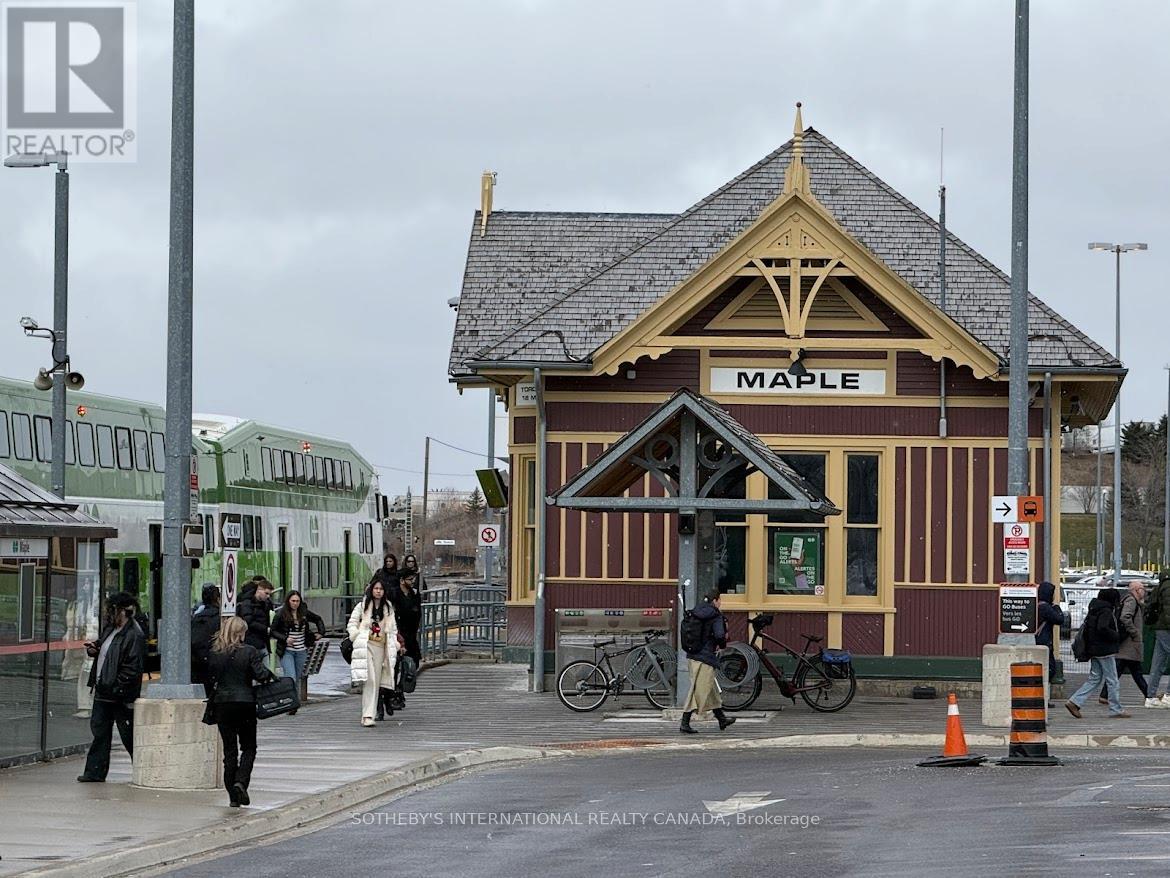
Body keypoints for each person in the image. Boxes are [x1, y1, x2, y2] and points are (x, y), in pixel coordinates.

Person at [77, 592, 146, 783]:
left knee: (128, 735)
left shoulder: (134, 634)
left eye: (113, 610)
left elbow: (132, 668)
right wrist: (94, 649)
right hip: (105, 690)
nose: (109, 614)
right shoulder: (111, 629)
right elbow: (105, 650)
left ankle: (143, 768)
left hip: (119, 694)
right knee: (100, 733)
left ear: (122, 612)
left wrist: (117, 687)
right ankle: (94, 772)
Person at [208, 616, 277, 807]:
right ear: (240, 633)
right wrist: (270, 675)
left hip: (222, 704)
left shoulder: (215, 653)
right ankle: (241, 781)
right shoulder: (249, 651)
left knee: (229, 752)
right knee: (248, 747)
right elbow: (261, 675)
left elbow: (210, 677)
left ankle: (233, 797)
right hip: (245, 703)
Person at [1065, 588, 1130, 719]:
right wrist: (1116, 635)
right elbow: (1103, 628)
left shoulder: (1094, 609)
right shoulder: (1106, 611)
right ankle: (1115, 709)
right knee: (1112, 680)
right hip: (1105, 650)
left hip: (1094, 649)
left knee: (1094, 678)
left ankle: (1075, 701)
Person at [680, 591, 736, 735]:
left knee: (711, 689)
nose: (720, 603)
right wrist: (722, 644)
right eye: (720, 600)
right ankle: (684, 722)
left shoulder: (697, 610)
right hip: (705, 658)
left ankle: (721, 718)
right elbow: (719, 635)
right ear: (715, 600)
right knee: (699, 689)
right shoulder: (715, 615)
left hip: (692, 654)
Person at [348, 581, 403, 726]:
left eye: (381, 589)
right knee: (370, 679)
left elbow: (393, 629)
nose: (378, 591)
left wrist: (395, 644)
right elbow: (352, 623)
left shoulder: (388, 608)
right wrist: (356, 635)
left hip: (381, 647)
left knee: (377, 681)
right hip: (366, 645)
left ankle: (368, 714)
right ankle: (367, 715)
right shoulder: (362, 606)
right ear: (371, 590)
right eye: (376, 588)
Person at [1098, 581, 1150, 706]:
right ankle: (1149, 694)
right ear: (1137, 590)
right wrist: (1134, 632)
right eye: (1143, 589)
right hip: (1129, 643)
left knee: (1124, 669)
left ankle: (1104, 695)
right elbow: (1125, 617)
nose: (1144, 591)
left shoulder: (1132, 601)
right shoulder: (1131, 601)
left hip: (1128, 644)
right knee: (1134, 671)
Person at [270, 590, 316, 700]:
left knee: (297, 677)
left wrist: (320, 633)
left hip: (301, 650)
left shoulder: (303, 613)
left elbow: (317, 619)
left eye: (297, 601)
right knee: (291, 676)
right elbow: (273, 631)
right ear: (288, 601)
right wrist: (285, 639)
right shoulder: (281, 614)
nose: (295, 603)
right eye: (293, 601)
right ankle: (291, 701)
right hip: (287, 650)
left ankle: (293, 701)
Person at [387, 572, 423, 710]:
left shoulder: (414, 594)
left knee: (413, 664)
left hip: (411, 634)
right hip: (398, 633)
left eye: (413, 579)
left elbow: (417, 611)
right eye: (410, 579)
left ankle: (401, 689)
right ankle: (394, 694)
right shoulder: (394, 594)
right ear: (402, 580)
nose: (412, 581)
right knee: (395, 665)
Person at [190, 584, 221, 699]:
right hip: (214, 661)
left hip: (198, 663)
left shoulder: (196, 618)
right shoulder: (220, 618)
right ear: (218, 598)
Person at [1146, 570, 1170, 707]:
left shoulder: (1160, 586)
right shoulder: (1168, 587)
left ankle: (1150, 696)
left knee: (1158, 663)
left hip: (1159, 628)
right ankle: (1168, 695)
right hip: (1166, 628)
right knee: (1158, 663)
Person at [1035, 582, 1065, 685]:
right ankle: (1043, 696)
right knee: (1050, 669)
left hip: (1037, 640)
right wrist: (1056, 607)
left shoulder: (1036, 605)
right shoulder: (1045, 607)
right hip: (1044, 641)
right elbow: (1060, 619)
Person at [236, 576, 275, 654]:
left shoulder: (266, 603)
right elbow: (248, 622)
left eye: (269, 594)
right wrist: (266, 629)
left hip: (261, 641)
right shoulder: (247, 602)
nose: (268, 596)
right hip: (251, 641)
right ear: (259, 590)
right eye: (266, 593)